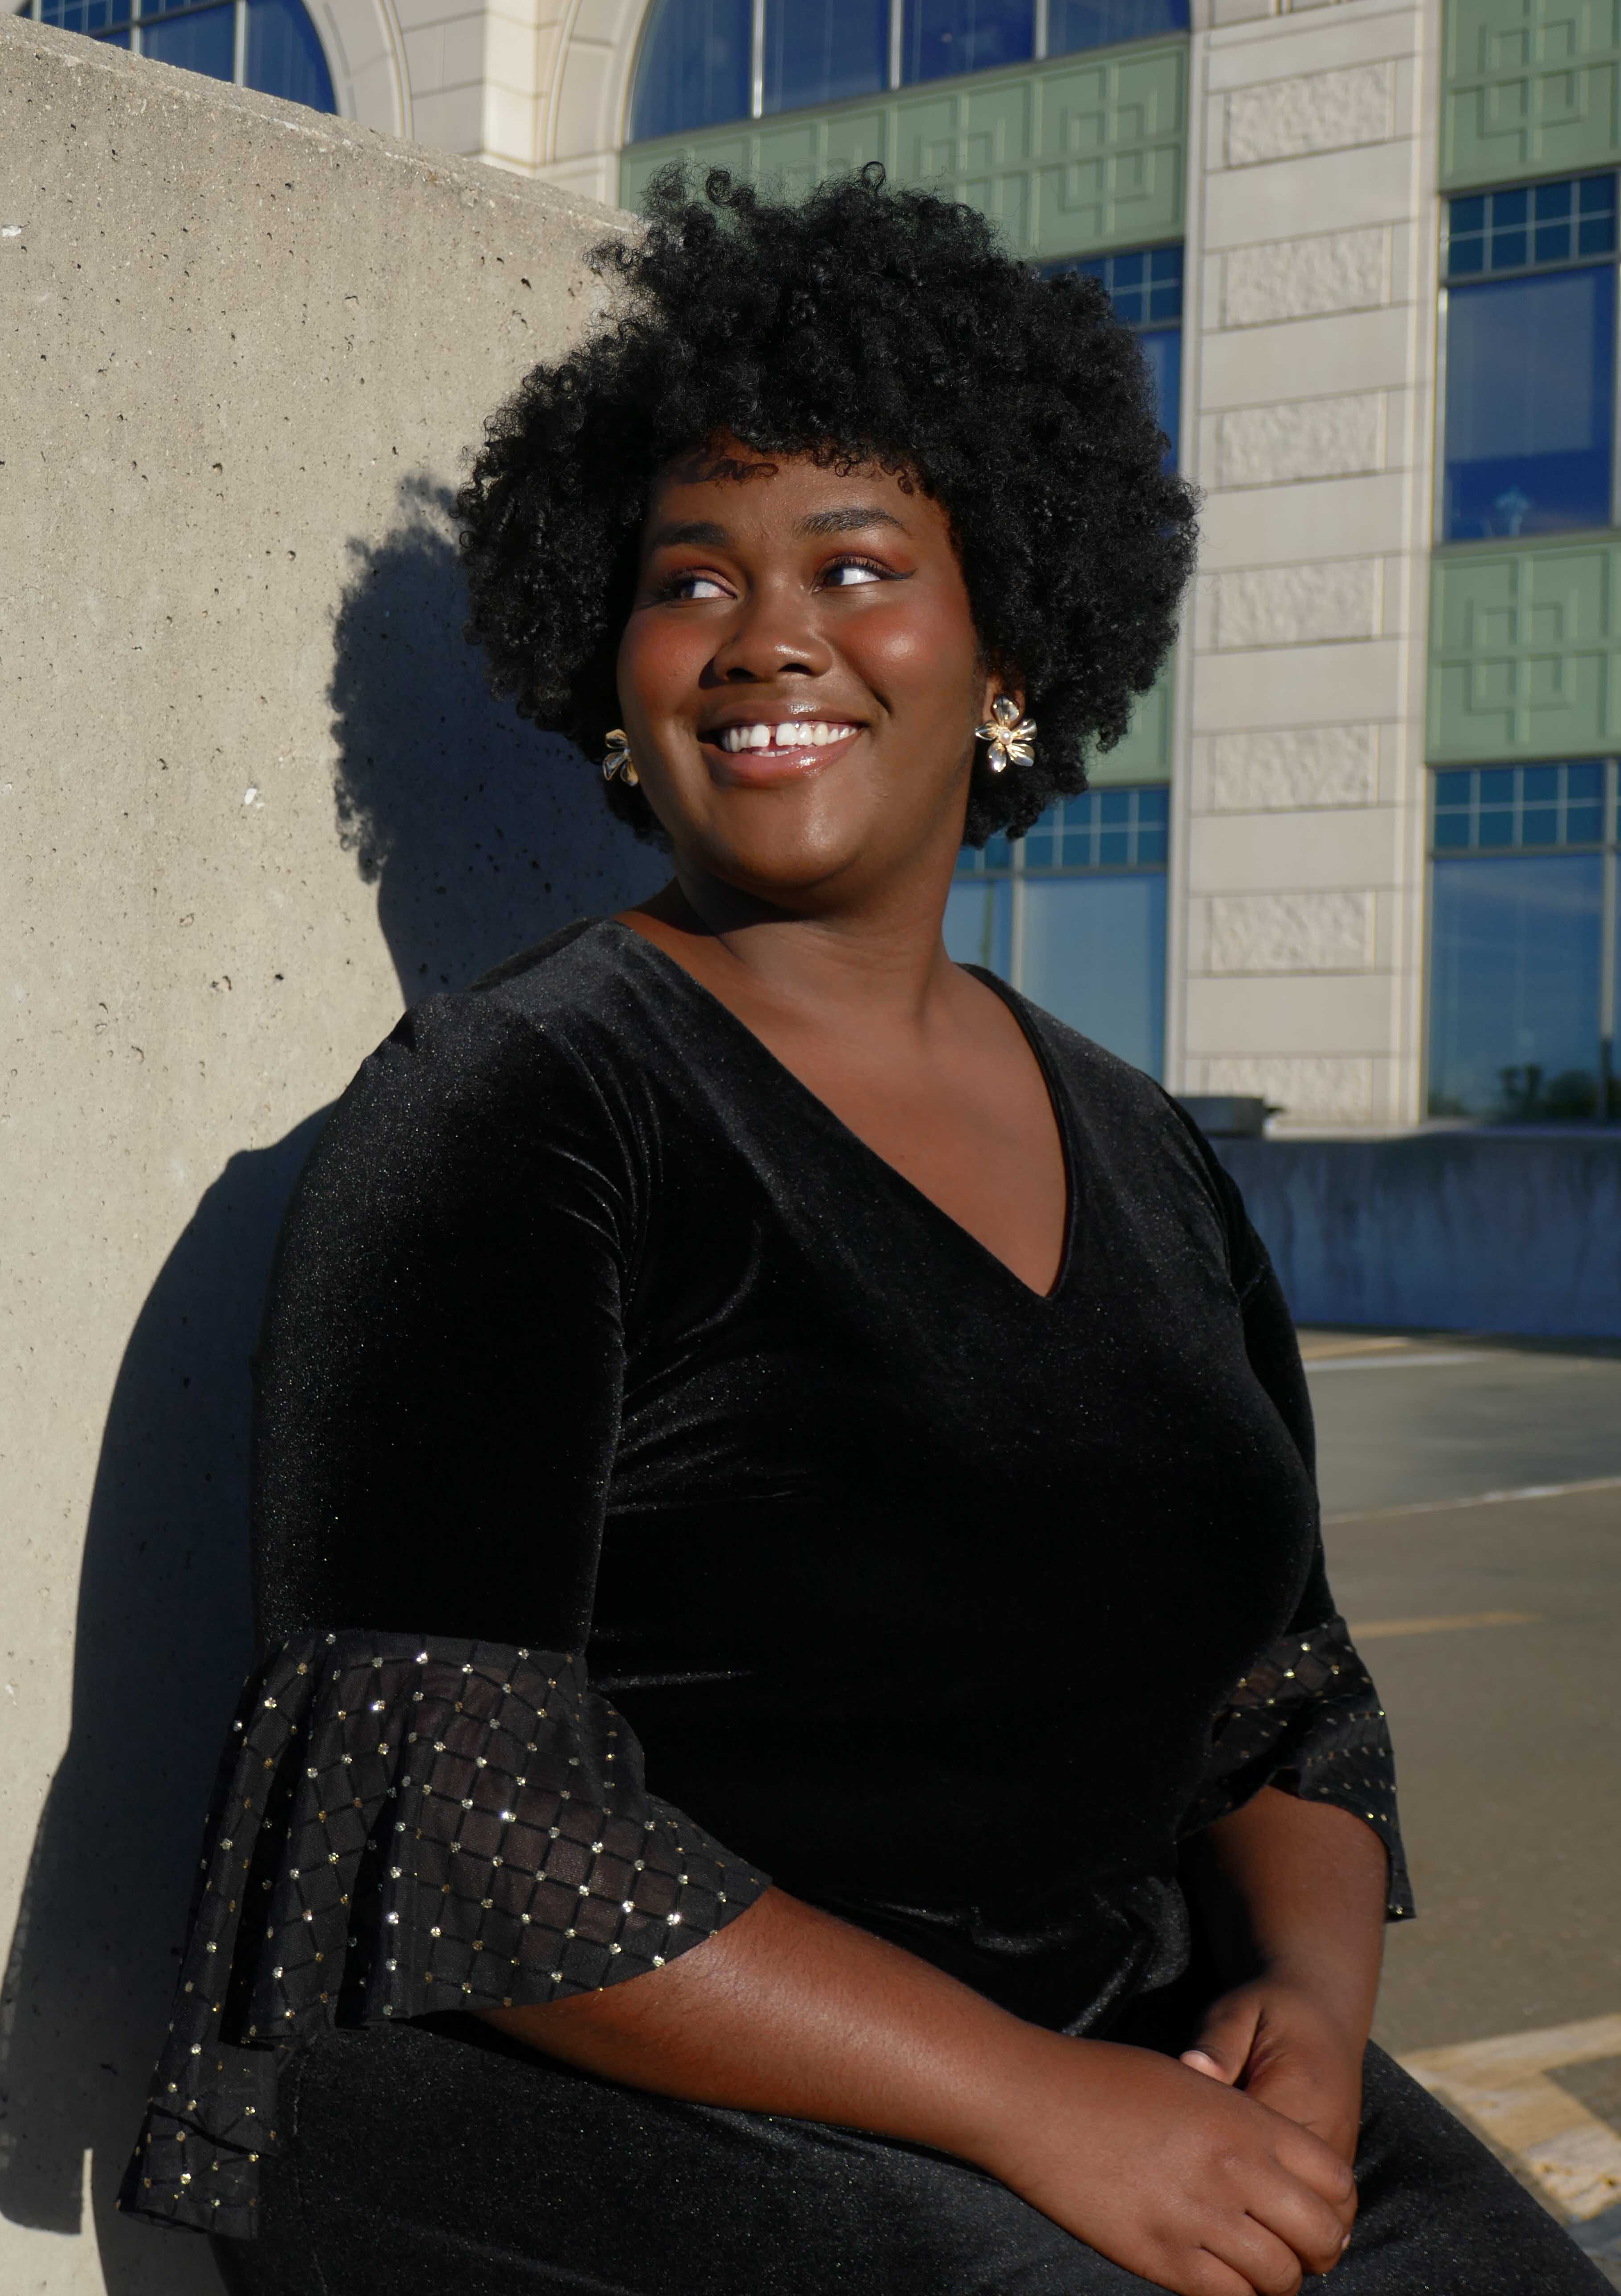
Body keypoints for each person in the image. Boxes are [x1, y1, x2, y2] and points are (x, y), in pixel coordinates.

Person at [121, 167, 1602, 2295]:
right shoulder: (519, 1110)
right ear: (612, 672)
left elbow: (1280, 1697)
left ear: (1006, 643)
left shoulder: (1146, 1150)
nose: (768, 636)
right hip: (596, 2108)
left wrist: (1308, 2004)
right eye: (691, 576)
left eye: (857, 563)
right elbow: (458, 1834)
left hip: (1102, 2033)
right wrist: (1038, 2109)